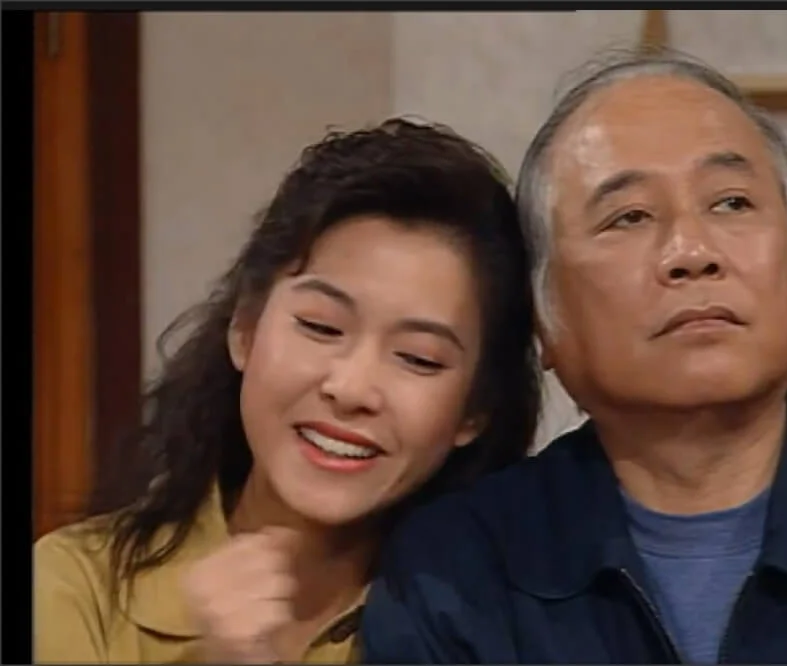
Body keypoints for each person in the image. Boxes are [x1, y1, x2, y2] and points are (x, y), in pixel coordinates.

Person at [360, 49, 787, 664]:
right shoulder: (457, 568)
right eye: (630, 216)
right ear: (544, 322)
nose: (692, 251)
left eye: (732, 203)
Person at [33, 118, 541, 664]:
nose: (351, 388)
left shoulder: (498, 629)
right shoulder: (74, 589)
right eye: (321, 326)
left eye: (418, 358)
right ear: (245, 329)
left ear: (474, 411)